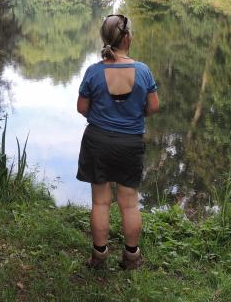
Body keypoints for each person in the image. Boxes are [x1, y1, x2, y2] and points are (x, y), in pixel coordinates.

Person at [76, 14, 159, 270]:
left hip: (98, 141)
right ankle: (131, 257)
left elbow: (81, 108)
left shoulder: (94, 71)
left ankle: (99, 257)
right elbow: (153, 107)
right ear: (127, 38)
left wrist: (101, 115)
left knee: (100, 202)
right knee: (130, 202)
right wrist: (133, 114)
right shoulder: (143, 71)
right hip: (129, 144)